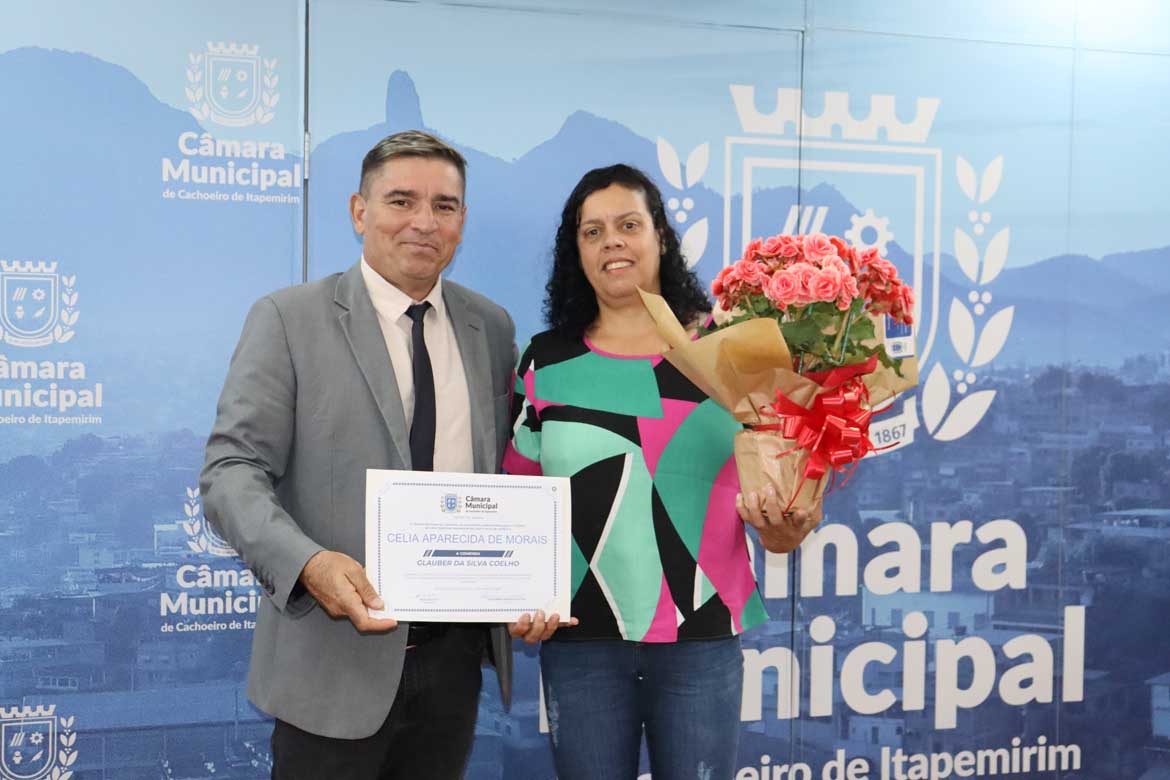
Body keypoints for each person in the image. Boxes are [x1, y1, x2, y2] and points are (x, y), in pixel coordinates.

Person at [200, 130, 566, 780]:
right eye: (401, 200)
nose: (424, 221)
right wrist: (308, 563)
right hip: (329, 666)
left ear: (462, 221)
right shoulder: (289, 319)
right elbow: (231, 472)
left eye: (444, 206)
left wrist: (530, 581)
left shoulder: (491, 328)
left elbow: (507, 475)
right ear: (359, 211)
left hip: (453, 667)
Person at [503, 164, 819, 779]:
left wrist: (787, 525)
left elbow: (784, 494)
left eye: (628, 225)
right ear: (576, 252)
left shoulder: (730, 349)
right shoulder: (545, 361)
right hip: (580, 638)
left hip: (702, 637)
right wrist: (519, 593)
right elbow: (519, 498)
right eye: (592, 232)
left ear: (662, 238)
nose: (612, 242)